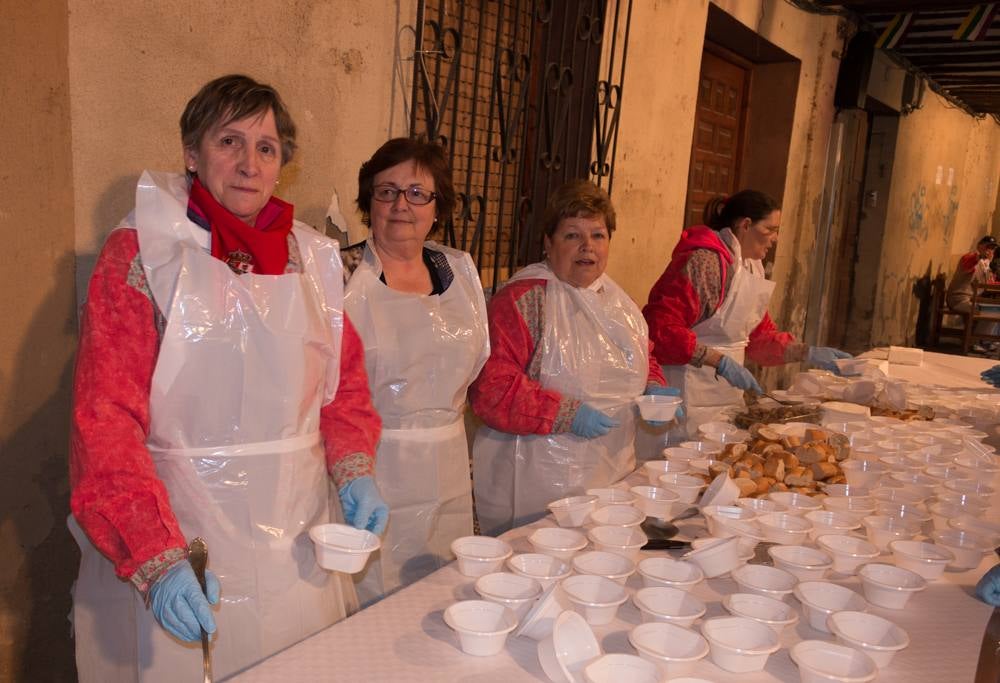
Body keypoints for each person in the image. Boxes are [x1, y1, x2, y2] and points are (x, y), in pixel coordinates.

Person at [69, 74, 387, 682]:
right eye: (229, 142)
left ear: (282, 164)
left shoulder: (315, 259)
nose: (248, 163)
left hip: (296, 535)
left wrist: (355, 471)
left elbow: (342, 388)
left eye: (265, 147)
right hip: (186, 535)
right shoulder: (142, 252)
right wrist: (155, 556)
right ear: (192, 152)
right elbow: (105, 419)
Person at [469, 179, 670, 535]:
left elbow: (640, 355)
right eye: (572, 235)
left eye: (598, 235)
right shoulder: (524, 301)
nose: (587, 247)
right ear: (548, 243)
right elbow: (490, 390)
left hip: (610, 471)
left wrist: (654, 386)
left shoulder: (618, 303)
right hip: (536, 483)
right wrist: (565, 413)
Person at [344, 137, 489, 603]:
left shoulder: (460, 271)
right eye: (386, 191)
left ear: (437, 204)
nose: (401, 205)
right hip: (373, 466)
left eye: (417, 192)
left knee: (440, 591)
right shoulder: (342, 272)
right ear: (369, 201)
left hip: (446, 465)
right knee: (372, 596)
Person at [643, 190, 851, 438]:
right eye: (770, 229)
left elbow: (758, 337)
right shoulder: (704, 263)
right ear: (746, 225)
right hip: (687, 392)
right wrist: (717, 360)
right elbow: (660, 329)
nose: (775, 239)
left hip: (726, 397)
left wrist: (805, 352)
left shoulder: (751, 267)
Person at [947, 234, 999, 354]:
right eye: (988, 247)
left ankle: (983, 340)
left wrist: (989, 265)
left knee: (995, 310)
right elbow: (968, 265)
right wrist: (981, 256)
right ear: (979, 246)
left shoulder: (984, 263)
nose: (990, 250)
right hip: (959, 299)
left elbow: (989, 283)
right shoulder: (970, 257)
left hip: (971, 299)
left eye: (992, 248)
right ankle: (975, 342)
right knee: (989, 311)